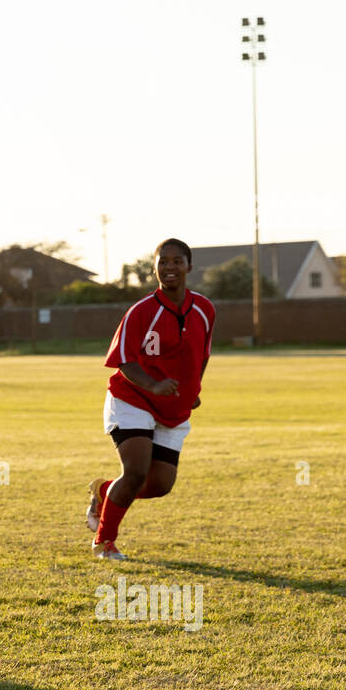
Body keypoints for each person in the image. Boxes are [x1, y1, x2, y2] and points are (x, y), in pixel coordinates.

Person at [85, 238, 214, 560]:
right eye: (163, 262)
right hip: (132, 399)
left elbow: (202, 355)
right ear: (154, 267)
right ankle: (105, 541)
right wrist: (153, 386)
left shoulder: (205, 309)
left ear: (189, 266)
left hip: (174, 406)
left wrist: (194, 389)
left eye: (177, 261)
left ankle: (105, 492)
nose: (169, 268)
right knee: (136, 471)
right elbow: (124, 360)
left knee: (160, 485)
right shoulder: (141, 311)